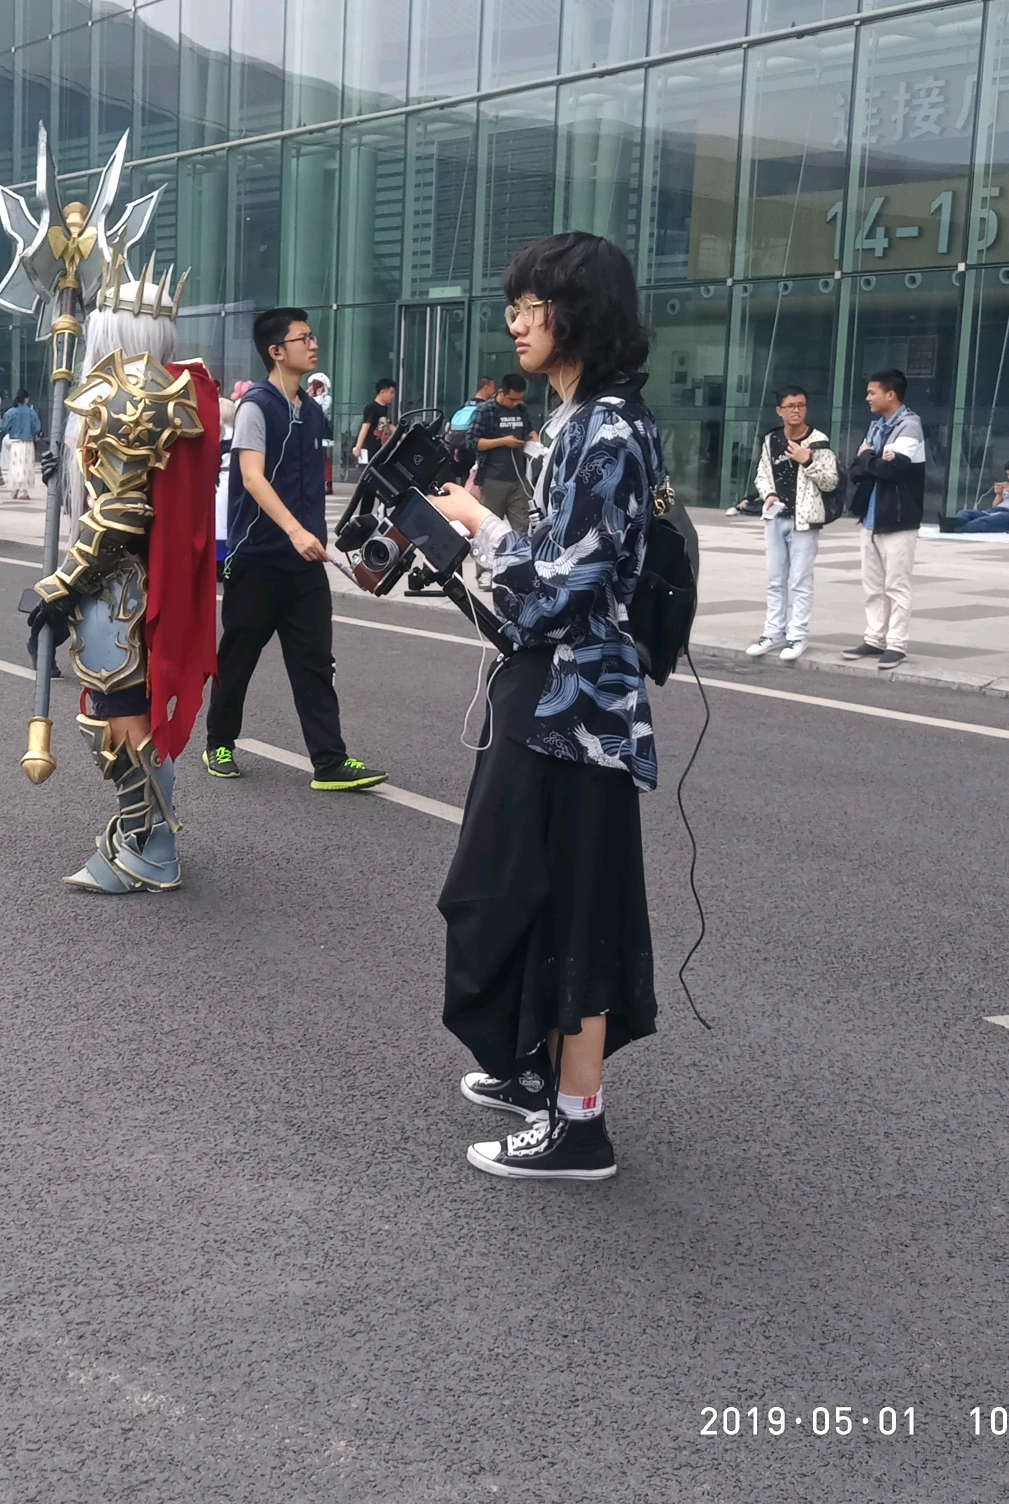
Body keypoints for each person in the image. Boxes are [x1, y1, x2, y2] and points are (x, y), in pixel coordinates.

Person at [426, 231, 664, 1182]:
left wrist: (481, 527)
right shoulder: (574, 422)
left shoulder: (605, 430)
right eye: (515, 304)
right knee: (513, 888)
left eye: (535, 305)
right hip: (548, 690)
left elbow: (566, 588)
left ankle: (579, 1124)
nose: (517, 321)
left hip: (582, 709)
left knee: (566, 905)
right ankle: (535, 1070)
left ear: (581, 315)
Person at [22, 261, 221, 893]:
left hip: (115, 589)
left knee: (118, 720)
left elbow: (122, 511)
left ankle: (150, 848)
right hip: (129, 585)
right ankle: (147, 838)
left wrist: (60, 586)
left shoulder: (124, 398)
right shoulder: (171, 390)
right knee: (125, 715)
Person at [203, 308, 388, 791]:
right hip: (258, 560)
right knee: (238, 656)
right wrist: (293, 530)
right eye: (303, 338)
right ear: (276, 351)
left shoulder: (311, 409)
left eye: (312, 336)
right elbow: (251, 477)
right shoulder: (255, 406)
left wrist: (321, 537)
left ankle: (329, 761)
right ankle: (219, 741)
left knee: (314, 663)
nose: (314, 344)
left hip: (306, 563)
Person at [744, 386, 839, 663]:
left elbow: (830, 480)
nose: (796, 410)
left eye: (801, 405)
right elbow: (762, 474)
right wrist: (768, 495)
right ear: (780, 410)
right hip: (776, 518)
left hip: (805, 521)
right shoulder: (772, 439)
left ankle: (797, 635)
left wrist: (807, 459)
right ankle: (773, 632)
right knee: (775, 580)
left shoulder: (818, 441)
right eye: (791, 406)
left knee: (800, 580)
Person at [841, 368, 926, 671]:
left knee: (897, 585)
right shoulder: (877, 427)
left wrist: (868, 458)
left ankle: (896, 644)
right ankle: (875, 638)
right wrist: (872, 459)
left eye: (872, 392)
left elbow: (892, 470)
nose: (867, 398)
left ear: (890, 395)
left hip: (899, 519)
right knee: (873, 586)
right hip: (871, 519)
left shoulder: (910, 426)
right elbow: (855, 470)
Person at [471, 374, 538, 531]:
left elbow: (529, 430)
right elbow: (472, 442)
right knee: (491, 528)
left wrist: (536, 442)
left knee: (521, 526)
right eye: (512, 399)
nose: (515, 403)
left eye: (519, 399)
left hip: (519, 478)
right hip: (493, 479)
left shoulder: (521, 409)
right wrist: (503, 442)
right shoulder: (486, 410)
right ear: (501, 392)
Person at [946, 459, 1009, 533]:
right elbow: (995, 506)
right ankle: (954, 524)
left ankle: (953, 527)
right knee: (965, 513)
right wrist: (999, 495)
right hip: (996, 511)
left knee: (983, 521)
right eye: (1008, 475)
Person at [0, 389, 42, 500]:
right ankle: (24, 491)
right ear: (26, 399)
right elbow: (37, 427)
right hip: (28, 442)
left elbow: (3, 426)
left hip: (15, 442)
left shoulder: (11, 412)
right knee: (26, 467)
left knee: (16, 467)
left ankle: (17, 490)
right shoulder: (31, 412)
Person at [449, 376, 496, 469]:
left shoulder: (467, 404)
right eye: (493, 388)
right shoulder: (485, 408)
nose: (494, 391)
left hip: (461, 448)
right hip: (475, 451)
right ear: (486, 388)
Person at [353, 377, 395, 467]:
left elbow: (389, 426)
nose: (393, 396)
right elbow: (365, 427)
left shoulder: (385, 409)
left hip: (380, 448)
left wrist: (403, 435)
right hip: (369, 448)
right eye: (391, 393)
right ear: (383, 392)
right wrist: (358, 446)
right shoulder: (371, 408)